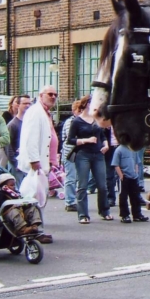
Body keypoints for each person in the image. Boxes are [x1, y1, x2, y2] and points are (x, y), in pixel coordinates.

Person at [18, 86, 58, 244]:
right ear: (40, 95)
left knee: (39, 197)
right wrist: (35, 162)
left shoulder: (45, 112)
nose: (53, 97)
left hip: (42, 164)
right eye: (50, 94)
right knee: (32, 197)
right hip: (34, 165)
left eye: (55, 94)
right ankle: (32, 231)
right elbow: (31, 138)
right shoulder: (35, 112)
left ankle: (37, 230)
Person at [68, 94, 112, 224]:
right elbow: (70, 139)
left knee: (102, 185)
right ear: (86, 104)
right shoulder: (77, 121)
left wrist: (106, 144)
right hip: (83, 155)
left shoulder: (97, 120)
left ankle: (104, 211)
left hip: (98, 154)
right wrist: (85, 140)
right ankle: (83, 214)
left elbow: (102, 135)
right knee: (82, 185)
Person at [112, 143, 149, 223]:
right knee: (123, 197)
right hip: (124, 177)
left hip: (133, 177)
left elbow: (136, 162)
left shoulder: (133, 149)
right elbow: (116, 164)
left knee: (135, 197)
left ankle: (137, 214)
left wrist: (136, 173)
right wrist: (121, 175)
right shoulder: (119, 150)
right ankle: (124, 215)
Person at [7, 94, 31, 183]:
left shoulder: (29, 123)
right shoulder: (12, 125)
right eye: (25, 103)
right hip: (17, 165)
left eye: (29, 103)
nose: (28, 106)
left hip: (28, 163)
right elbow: (7, 146)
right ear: (18, 105)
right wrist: (15, 163)